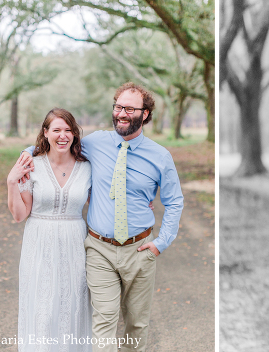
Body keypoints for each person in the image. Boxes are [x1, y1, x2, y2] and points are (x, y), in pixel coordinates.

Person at [19, 82, 185, 352]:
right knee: (104, 322)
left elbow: (174, 201)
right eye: (118, 106)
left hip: (140, 250)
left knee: (137, 325)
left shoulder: (160, 157)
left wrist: (161, 243)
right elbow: (58, 141)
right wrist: (27, 154)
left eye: (129, 109)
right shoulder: (95, 143)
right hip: (99, 249)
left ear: (145, 114)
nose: (121, 113)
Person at [7, 108, 93, 351]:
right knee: (43, 308)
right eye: (56, 130)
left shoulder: (87, 167)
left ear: (75, 135)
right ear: (45, 133)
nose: (62, 136)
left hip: (75, 244)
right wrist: (12, 182)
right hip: (40, 242)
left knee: (72, 306)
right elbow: (20, 214)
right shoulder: (31, 164)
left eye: (68, 130)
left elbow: (104, 201)